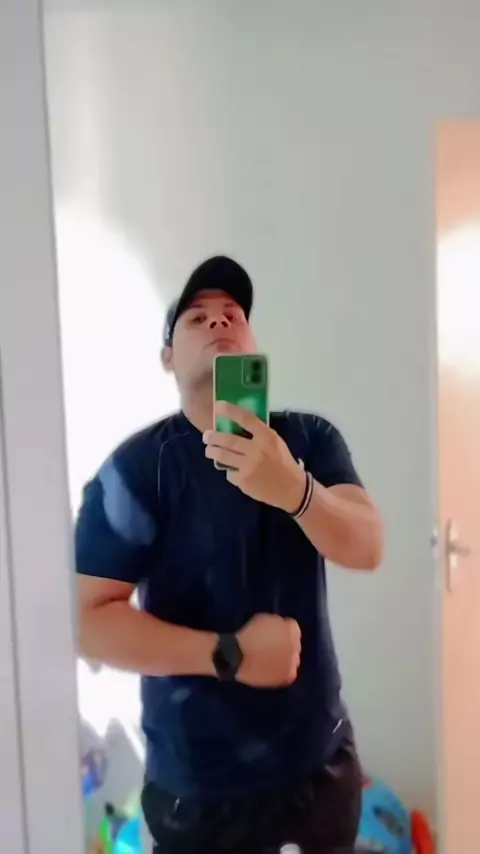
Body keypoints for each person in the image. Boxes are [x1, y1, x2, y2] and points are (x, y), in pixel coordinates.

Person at [76, 255, 384, 854]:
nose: (219, 321)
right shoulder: (136, 471)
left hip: (321, 770)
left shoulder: (309, 440)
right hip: (198, 791)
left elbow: (368, 546)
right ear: (168, 357)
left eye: (233, 314)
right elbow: (87, 622)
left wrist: (294, 489)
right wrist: (230, 655)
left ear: (253, 344)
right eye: (197, 317)